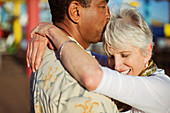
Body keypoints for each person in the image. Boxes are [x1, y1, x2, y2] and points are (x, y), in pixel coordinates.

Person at [27, 3, 170, 113]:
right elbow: (81, 55)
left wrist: (51, 31)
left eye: (125, 55)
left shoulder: (162, 89)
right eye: (110, 56)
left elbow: (92, 76)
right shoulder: (128, 72)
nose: (116, 66)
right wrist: (45, 33)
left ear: (147, 51)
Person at [28, 0, 120, 113]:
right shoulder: (88, 92)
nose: (108, 15)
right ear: (75, 12)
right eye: (102, 6)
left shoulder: (43, 54)